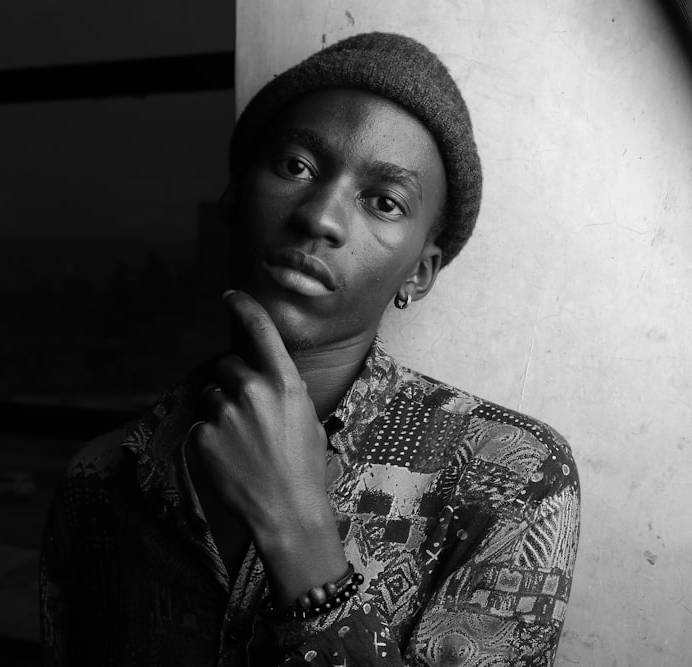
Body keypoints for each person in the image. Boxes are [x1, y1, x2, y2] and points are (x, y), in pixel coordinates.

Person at [39, 32, 580, 666]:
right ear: (236, 196)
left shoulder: (511, 478)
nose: (321, 216)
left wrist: (299, 534)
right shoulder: (101, 483)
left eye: (384, 202)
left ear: (419, 273)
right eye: (297, 166)